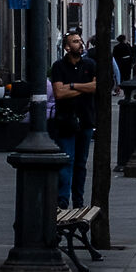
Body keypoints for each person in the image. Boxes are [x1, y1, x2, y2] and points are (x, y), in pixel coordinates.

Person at [47, 31, 104, 208]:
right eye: (75, 41)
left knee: (81, 163)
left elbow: (97, 86)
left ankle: (78, 201)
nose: (80, 44)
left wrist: (71, 86)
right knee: (67, 161)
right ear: (66, 47)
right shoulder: (58, 66)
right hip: (65, 121)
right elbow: (58, 93)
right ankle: (63, 201)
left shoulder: (90, 64)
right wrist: (85, 88)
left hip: (86, 120)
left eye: (80, 41)